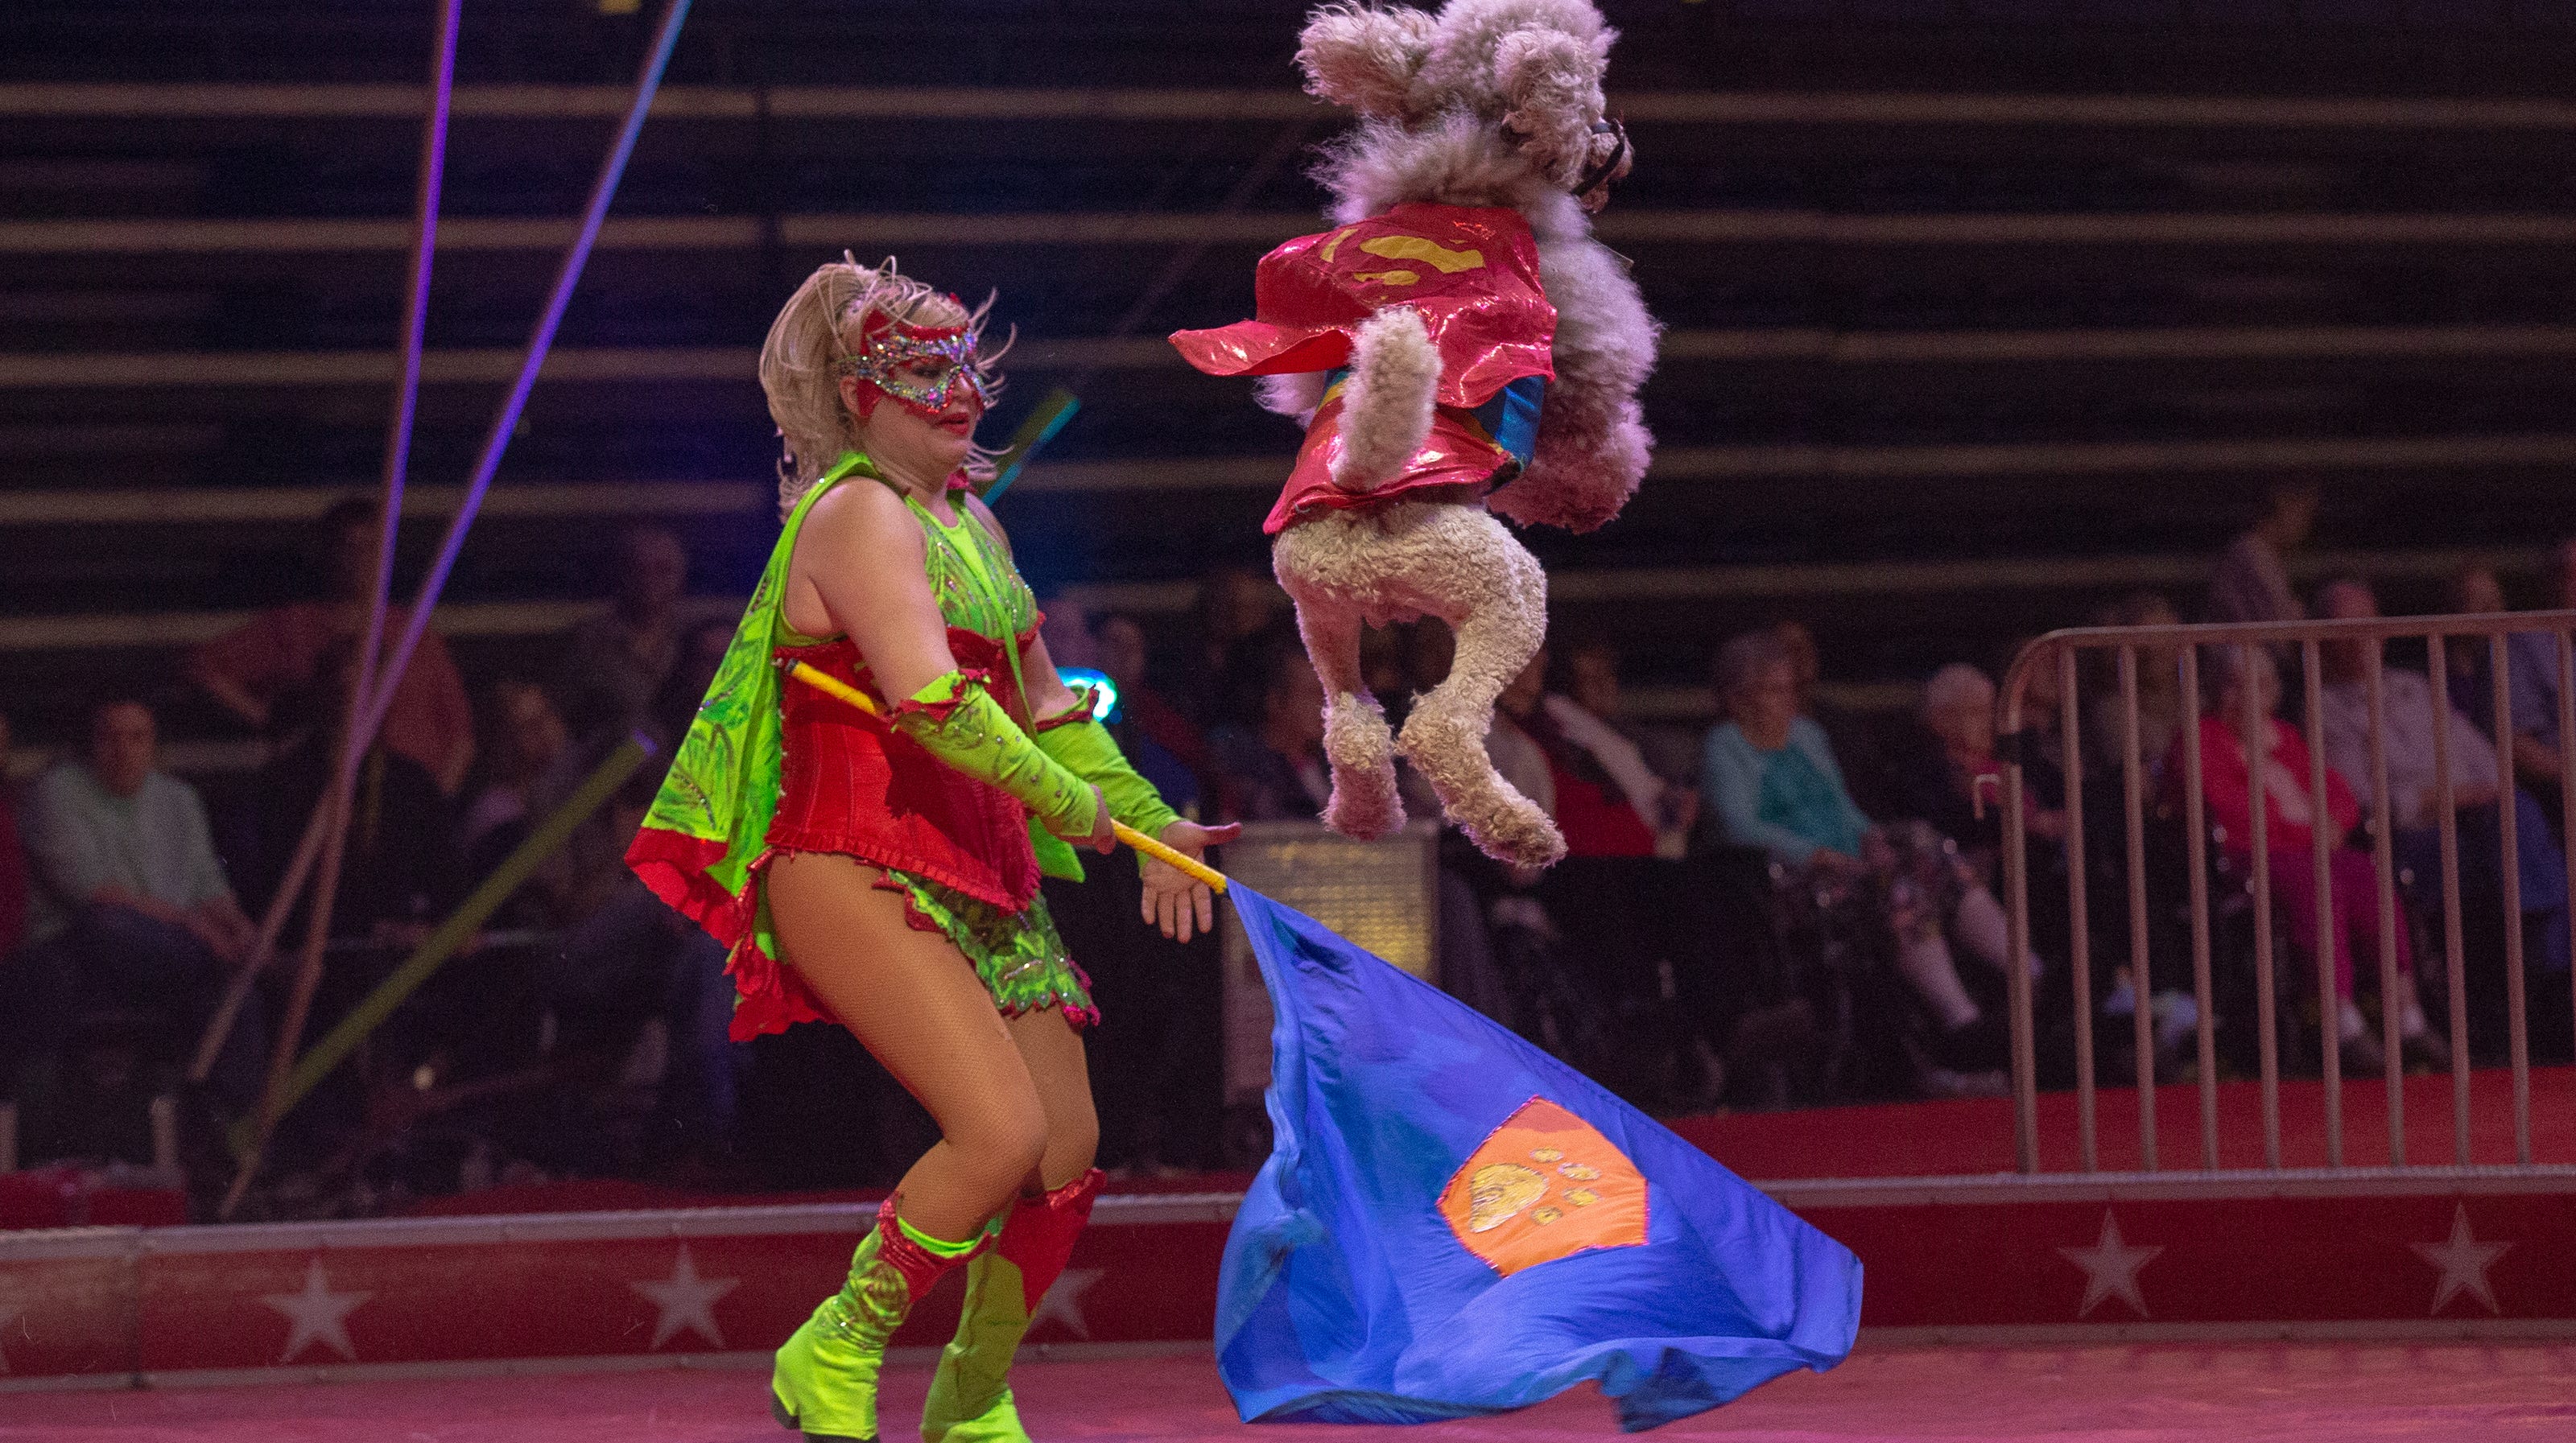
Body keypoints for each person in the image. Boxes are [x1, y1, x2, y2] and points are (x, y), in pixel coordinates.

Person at [623, 257, 1232, 1443]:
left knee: (1063, 1151)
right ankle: (835, 1342)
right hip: (851, 852)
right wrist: (1079, 814)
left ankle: (971, 1390)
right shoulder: (854, 514)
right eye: (924, 380)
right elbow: (934, 703)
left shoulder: (977, 521)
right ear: (861, 398)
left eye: (965, 375)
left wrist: (1151, 820)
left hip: (979, 863)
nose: (958, 398)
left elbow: (1050, 704)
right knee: (996, 1132)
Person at [1703, 631, 2021, 1084]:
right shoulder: (1724, 747)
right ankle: (1960, 1018)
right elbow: (1738, 826)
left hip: (1853, 862)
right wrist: (1819, 855)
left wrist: (1871, 836)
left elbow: (1841, 806)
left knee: (1930, 850)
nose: (1790, 700)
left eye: (1791, 688)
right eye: (1776, 690)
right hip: (1795, 877)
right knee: (1896, 887)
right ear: (1738, 698)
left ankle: (2026, 973)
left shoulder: (1808, 735)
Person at [2178, 644, 2449, 1074]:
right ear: (2217, 692)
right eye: (2235, 685)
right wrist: (2310, 832)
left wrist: (2335, 822)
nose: (2248, 695)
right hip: (2254, 857)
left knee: (2367, 875)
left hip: (2311, 850)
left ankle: (2407, 1017)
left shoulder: (2284, 737)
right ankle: (2340, 1019)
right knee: (2314, 883)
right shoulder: (2202, 740)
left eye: (2260, 685)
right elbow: (2230, 811)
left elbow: (2336, 792)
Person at [15, 693, 267, 1113]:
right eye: (109, 738)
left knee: (224, 985)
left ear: (153, 744)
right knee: (107, 923)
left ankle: (229, 1122)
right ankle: (232, 964)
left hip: (169, 954)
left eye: (137, 737)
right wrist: (201, 932)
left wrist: (240, 926)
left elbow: (208, 884)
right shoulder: (56, 792)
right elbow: (93, 892)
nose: (124, 751)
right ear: (89, 744)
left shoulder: (178, 800)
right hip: (82, 949)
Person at [2315, 579, 2569, 987]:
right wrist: (2454, 797)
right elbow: (2369, 804)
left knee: (2521, 815)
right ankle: (2550, 974)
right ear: (2323, 639)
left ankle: (2543, 961)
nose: (2363, 635)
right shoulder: (2324, 710)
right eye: (2347, 625)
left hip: (2483, 820)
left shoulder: (2415, 687)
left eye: (2369, 621)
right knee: (2535, 854)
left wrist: (2478, 796)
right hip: (2414, 838)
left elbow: (2486, 761)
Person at [189, 497, 476, 794]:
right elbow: (203, 667)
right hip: (324, 793)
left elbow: (460, 735)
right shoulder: (294, 626)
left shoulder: (413, 632)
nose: (359, 559)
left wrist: (434, 804)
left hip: (408, 798)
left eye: (370, 548)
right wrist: (267, 717)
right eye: (349, 548)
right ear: (328, 552)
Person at [555, 524, 691, 739]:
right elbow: (565, 715)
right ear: (621, 573)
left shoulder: (695, 639)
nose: (650, 580)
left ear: (681, 575)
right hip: (609, 765)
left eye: (663, 569)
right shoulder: (588, 640)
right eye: (640, 569)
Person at [1208, 645, 1331, 823]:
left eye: (1328, 694)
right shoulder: (1241, 759)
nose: (1326, 706)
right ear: (1274, 701)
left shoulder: (1331, 764)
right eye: (1311, 695)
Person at [2206, 477, 2321, 626]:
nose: (2306, 526)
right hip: (2245, 647)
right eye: (2304, 514)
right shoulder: (2250, 553)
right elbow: (2270, 626)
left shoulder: (2267, 554)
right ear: (2283, 504)